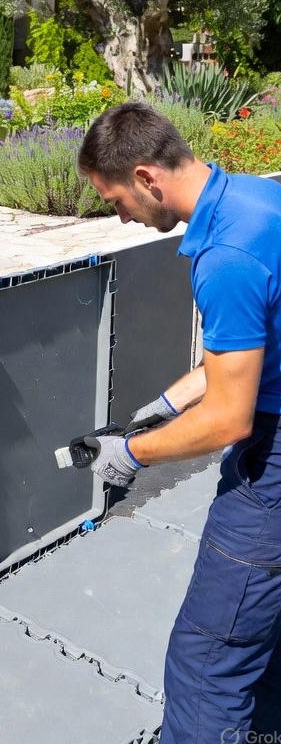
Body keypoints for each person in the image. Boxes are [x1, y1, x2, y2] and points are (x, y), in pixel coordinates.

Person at [77, 101, 281, 744]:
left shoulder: (223, 255)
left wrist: (133, 454)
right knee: (266, 641)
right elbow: (246, 346)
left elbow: (227, 420)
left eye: (116, 201)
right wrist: (166, 404)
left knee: (207, 661)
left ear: (146, 177)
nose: (123, 217)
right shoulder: (255, 199)